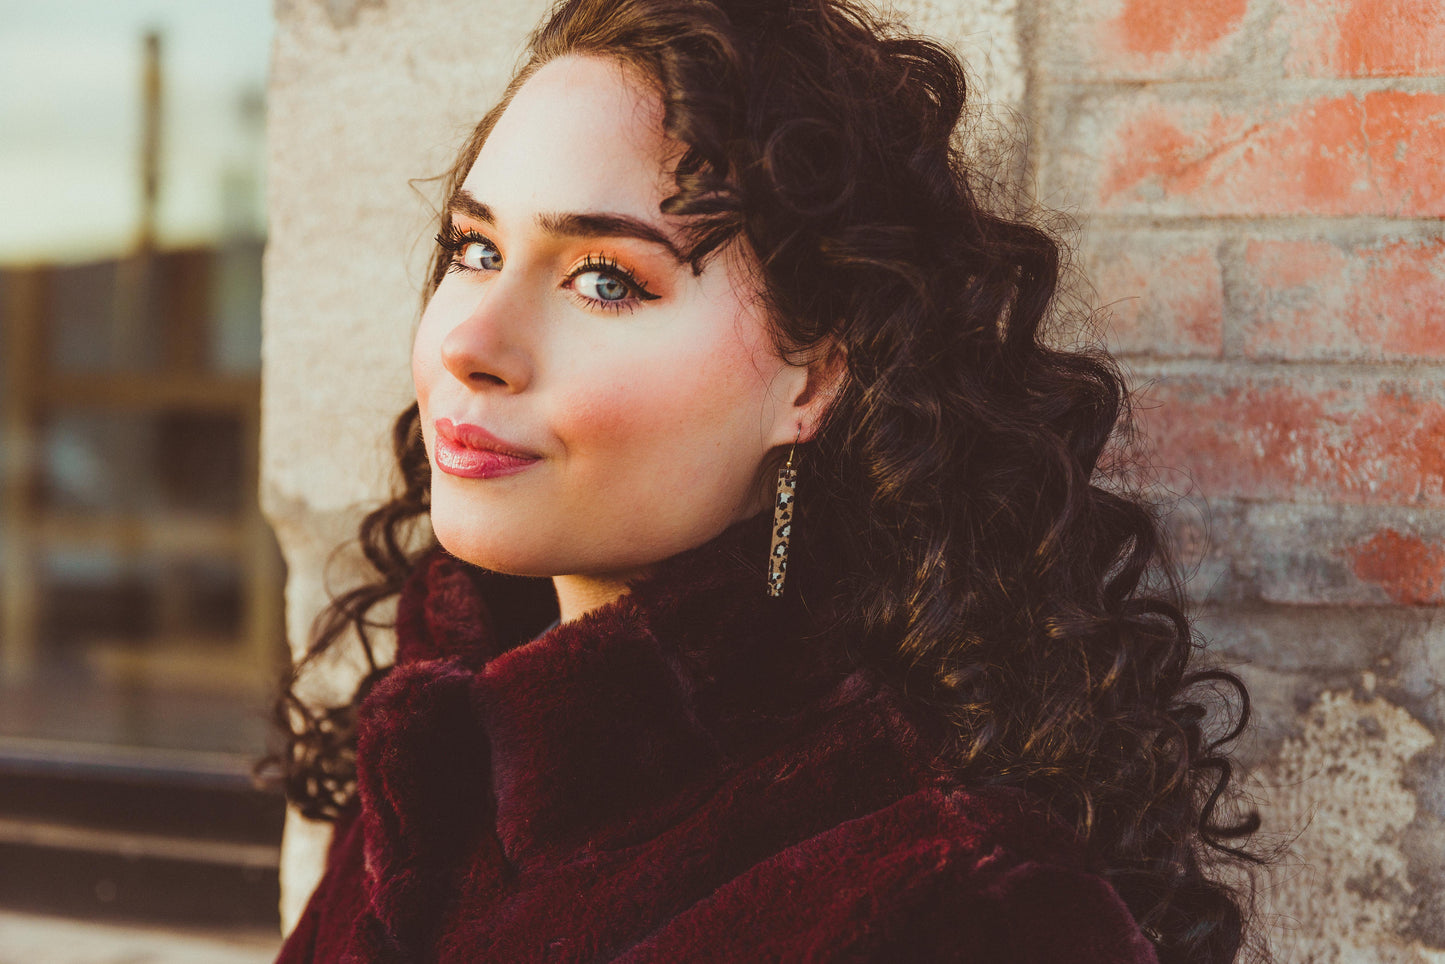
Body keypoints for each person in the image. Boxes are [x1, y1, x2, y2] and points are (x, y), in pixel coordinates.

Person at [270, 0, 1263, 961]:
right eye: (474, 248)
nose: (471, 342)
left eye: (604, 278)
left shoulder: (953, 898)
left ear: (817, 374)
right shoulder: (433, 758)